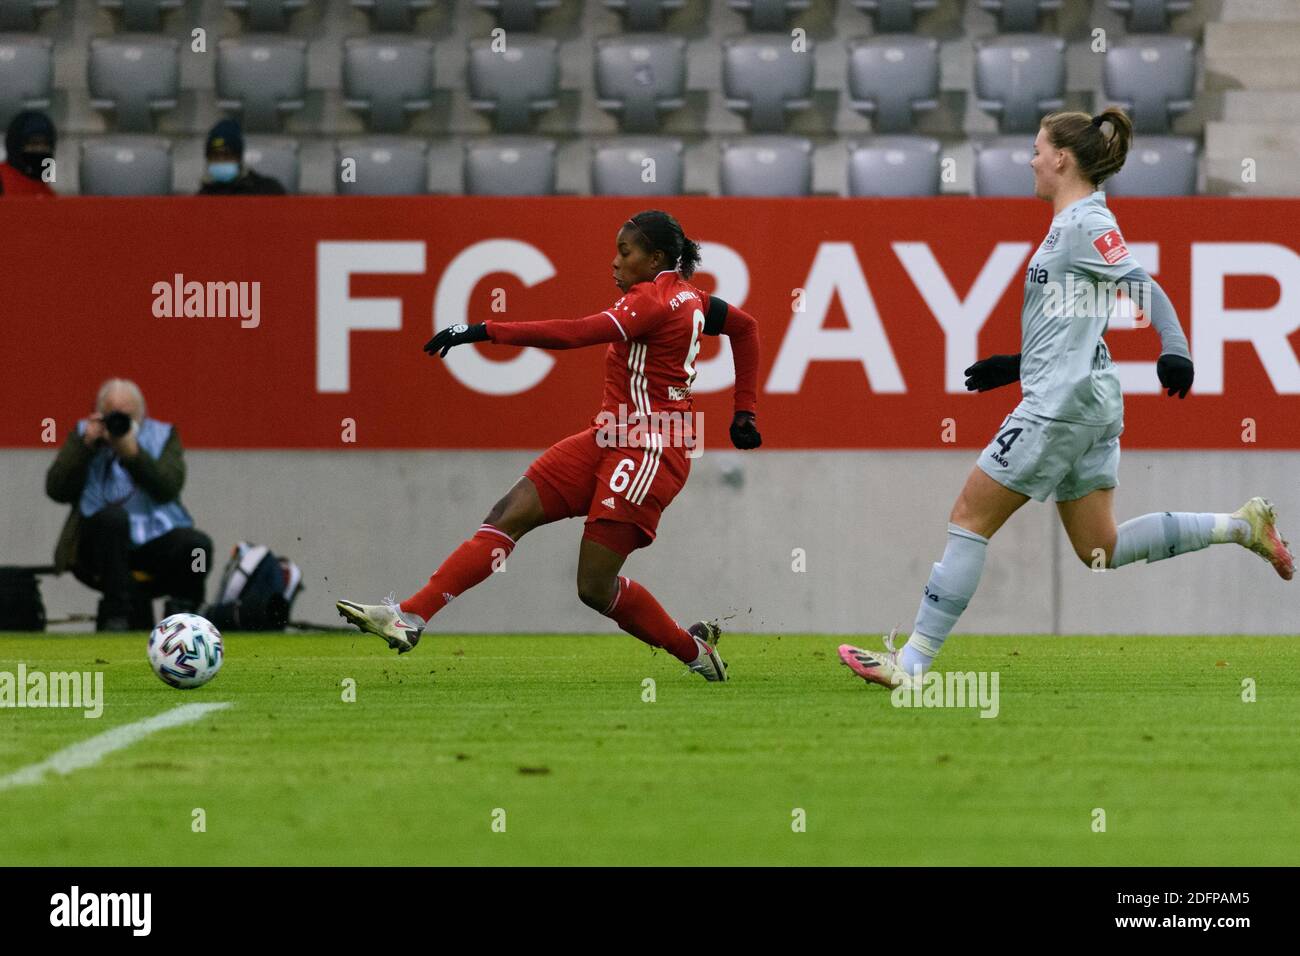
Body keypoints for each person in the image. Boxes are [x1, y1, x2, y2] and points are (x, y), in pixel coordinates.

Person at [839, 107, 1294, 689]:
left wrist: (1174, 346)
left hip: (1060, 404)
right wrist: (1019, 363)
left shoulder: (1084, 221)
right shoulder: (1072, 224)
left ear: (1061, 158)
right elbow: (1074, 315)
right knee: (1098, 546)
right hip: (1086, 396)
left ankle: (913, 665)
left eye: (1037, 149)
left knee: (969, 518)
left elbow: (1139, 281)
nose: (1030, 161)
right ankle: (1240, 527)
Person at [337, 210, 763, 681]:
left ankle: (693, 651)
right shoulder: (693, 297)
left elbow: (574, 334)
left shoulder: (652, 301)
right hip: (609, 437)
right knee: (508, 512)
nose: (615, 262)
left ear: (655, 258)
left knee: (594, 587)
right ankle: (411, 616)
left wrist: (483, 330)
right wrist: (744, 411)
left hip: (649, 450)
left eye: (626, 252)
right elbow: (746, 328)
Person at [45, 379, 213, 631]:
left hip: (155, 542)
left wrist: (133, 455)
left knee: (197, 548)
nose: (118, 423)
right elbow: (56, 489)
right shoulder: (84, 435)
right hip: (99, 549)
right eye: (112, 415)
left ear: (141, 415)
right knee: (113, 519)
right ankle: (117, 615)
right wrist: (85, 447)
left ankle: (185, 616)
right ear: (99, 414)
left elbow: (168, 488)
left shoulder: (163, 435)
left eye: (127, 416)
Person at [196, 118, 285, 195]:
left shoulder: (268, 190)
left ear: (238, 158)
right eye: (215, 156)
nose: (221, 160)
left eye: (227, 155)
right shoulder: (203, 196)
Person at [0, 110, 56, 197]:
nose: (40, 149)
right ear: (16, 146)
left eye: (45, 144)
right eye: (33, 144)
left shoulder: (47, 194)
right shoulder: (2, 179)